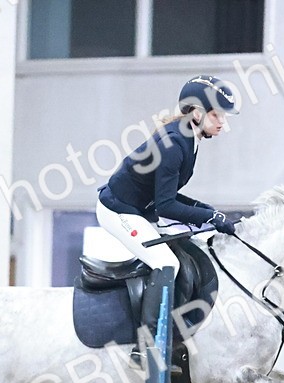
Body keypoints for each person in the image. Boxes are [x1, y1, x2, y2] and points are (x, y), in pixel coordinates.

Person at [96, 75, 242, 367]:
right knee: (167, 263)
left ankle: (174, 335)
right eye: (216, 114)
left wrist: (211, 212)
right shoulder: (175, 144)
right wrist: (209, 216)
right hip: (118, 210)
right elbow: (167, 206)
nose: (222, 123)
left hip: (141, 209)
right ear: (196, 113)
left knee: (194, 247)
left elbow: (172, 196)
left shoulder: (189, 138)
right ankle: (145, 346)